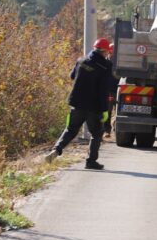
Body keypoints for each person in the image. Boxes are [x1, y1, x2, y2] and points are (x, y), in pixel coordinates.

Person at [45, 38, 112, 170]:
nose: (107, 54)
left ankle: (56, 150)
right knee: (97, 134)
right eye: (107, 52)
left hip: (76, 104)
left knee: (70, 130)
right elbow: (104, 89)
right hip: (94, 107)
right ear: (104, 51)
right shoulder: (105, 66)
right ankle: (91, 161)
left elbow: (72, 76)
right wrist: (105, 110)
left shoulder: (81, 60)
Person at [104, 43, 119, 137]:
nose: (111, 54)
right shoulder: (105, 63)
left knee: (118, 110)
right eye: (110, 52)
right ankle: (107, 130)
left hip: (118, 90)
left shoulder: (120, 62)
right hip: (109, 90)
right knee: (108, 111)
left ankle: (114, 126)